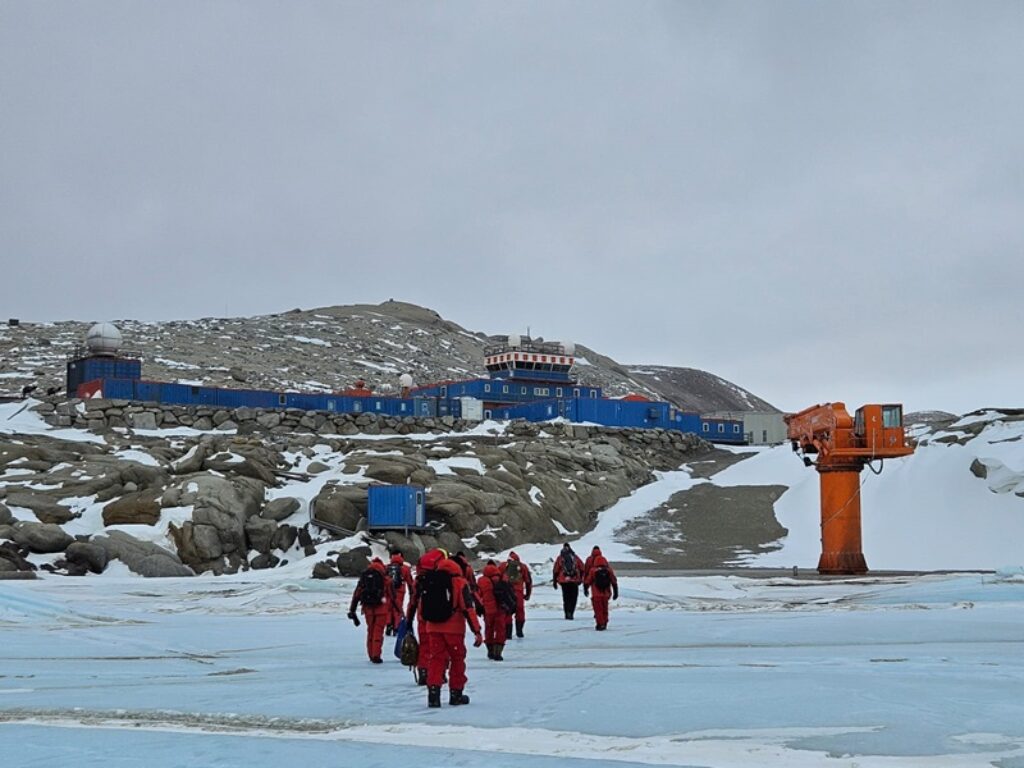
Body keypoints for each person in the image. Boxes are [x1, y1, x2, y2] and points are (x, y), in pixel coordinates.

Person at [414, 554, 483, 707]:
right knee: (457, 660)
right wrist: (477, 631)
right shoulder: (459, 582)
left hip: (432, 628)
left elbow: (420, 606)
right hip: (454, 629)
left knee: (436, 660)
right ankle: (456, 694)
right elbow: (468, 608)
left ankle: (433, 694)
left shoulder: (429, 581)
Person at [406, 548, 447, 685]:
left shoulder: (419, 580)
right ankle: (439, 674)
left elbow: (413, 601)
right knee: (439, 648)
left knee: (424, 645)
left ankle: (423, 671)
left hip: (422, 616)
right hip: (440, 617)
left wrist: (409, 619)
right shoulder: (445, 579)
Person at [348, 557, 392, 662]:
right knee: (378, 632)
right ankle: (376, 655)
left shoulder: (364, 577)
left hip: (368, 608)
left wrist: (352, 609)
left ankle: (371, 654)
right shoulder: (385, 578)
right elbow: (392, 596)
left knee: (370, 631)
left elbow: (357, 594)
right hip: (381, 608)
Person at [476, 560, 512, 660]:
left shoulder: (481, 580)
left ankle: (490, 651)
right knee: (500, 630)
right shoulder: (502, 578)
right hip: (500, 609)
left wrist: (479, 608)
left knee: (489, 629)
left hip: (488, 610)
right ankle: (498, 652)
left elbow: (478, 595)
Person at [499, 551, 532, 638]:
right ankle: (519, 631)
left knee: (507, 612)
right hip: (519, 593)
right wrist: (528, 594)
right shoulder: (523, 567)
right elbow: (528, 582)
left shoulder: (503, 566)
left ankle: (508, 634)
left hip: (507, 592)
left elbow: (497, 579)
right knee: (520, 612)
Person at [583, 553, 618, 631]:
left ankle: (600, 624)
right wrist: (616, 592)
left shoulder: (593, 570)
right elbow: (614, 581)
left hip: (596, 594)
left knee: (598, 610)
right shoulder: (609, 570)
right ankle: (605, 622)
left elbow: (588, 581)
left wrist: (585, 589)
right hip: (606, 594)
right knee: (605, 609)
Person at [385, 549, 415, 636]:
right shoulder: (405, 568)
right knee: (397, 609)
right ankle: (396, 627)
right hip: (400, 591)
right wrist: (411, 593)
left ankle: (388, 624)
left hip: (389, 591)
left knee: (389, 608)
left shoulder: (387, 567)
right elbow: (410, 582)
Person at [552, 543, 585, 620]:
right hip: (574, 580)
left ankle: (567, 613)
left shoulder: (560, 558)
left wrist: (554, 581)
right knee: (573, 598)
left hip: (564, 581)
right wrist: (581, 579)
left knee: (566, 598)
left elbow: (555, 570)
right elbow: (582, 568)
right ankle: (571, 612)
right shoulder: (575, 557)